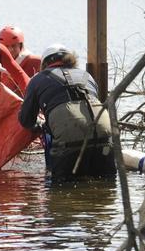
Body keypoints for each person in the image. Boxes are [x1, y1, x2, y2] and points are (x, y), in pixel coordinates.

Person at [18, 44, 115, 180]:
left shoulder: (37, 80)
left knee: (63, 190)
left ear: (45, 64)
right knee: (105, 186)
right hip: (104, 136)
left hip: (69, 140)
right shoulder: (87, 76)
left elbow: (26, 120)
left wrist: (41, 126)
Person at [0, 25, 41, 96]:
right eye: (6, 46)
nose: (10, 50)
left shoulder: (35, 61)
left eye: (14, 46)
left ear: (20, 45)